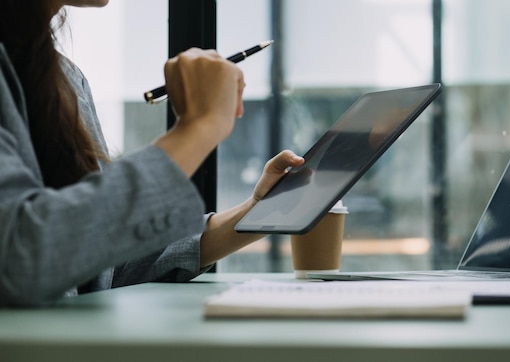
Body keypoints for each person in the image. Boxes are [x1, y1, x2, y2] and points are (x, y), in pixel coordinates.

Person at [0, 0, 304, 307]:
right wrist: (199, 127)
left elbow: (99, 261)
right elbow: (19, 257)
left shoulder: (65, 77)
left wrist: (258, 212)